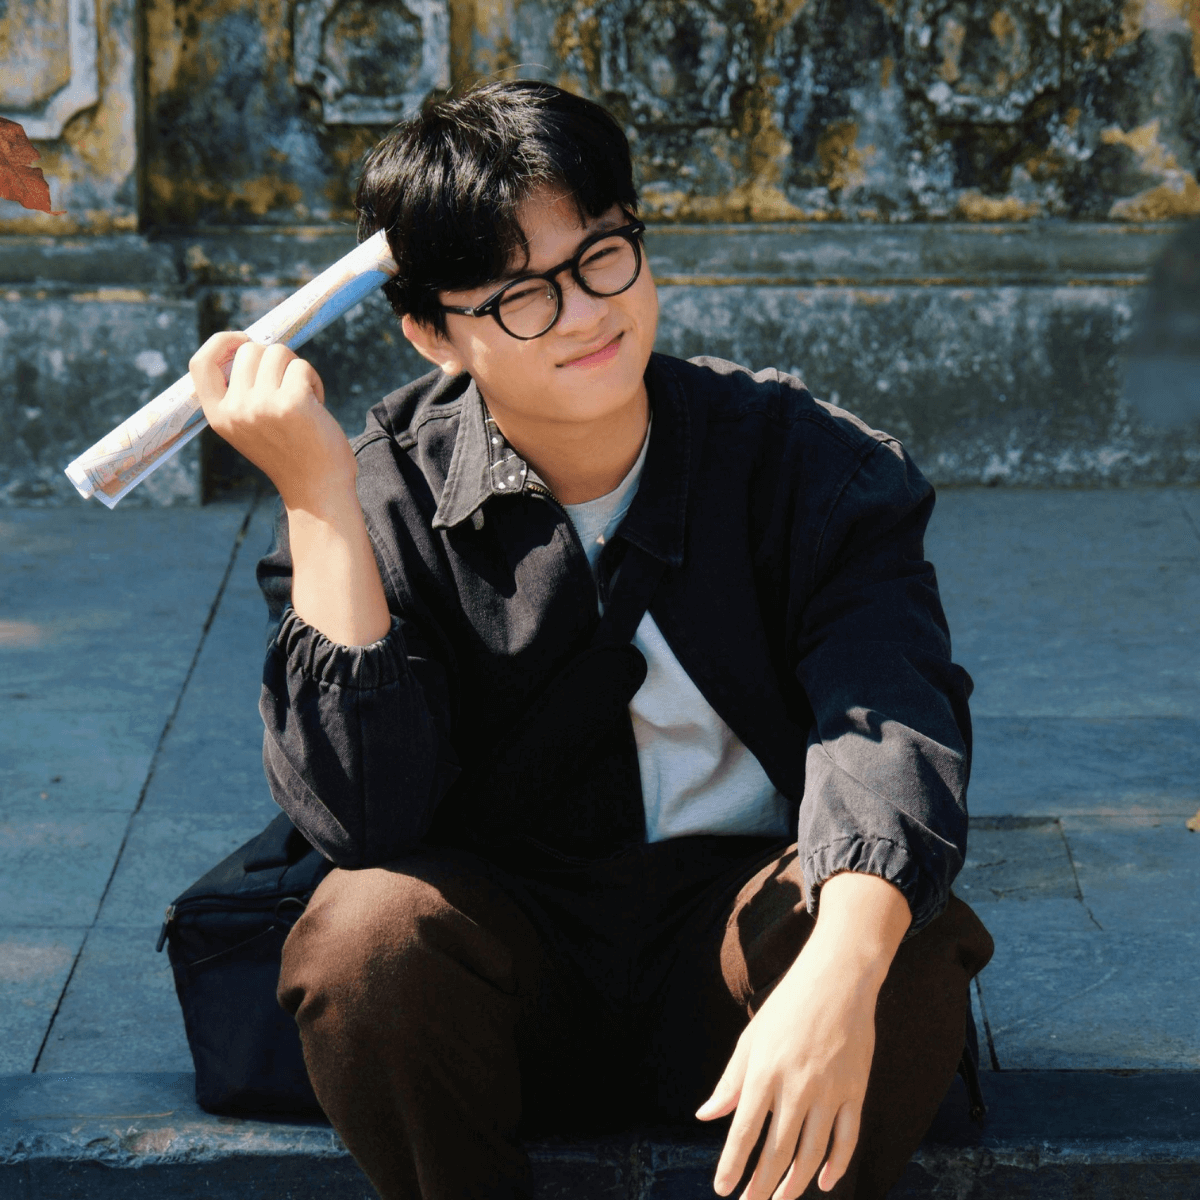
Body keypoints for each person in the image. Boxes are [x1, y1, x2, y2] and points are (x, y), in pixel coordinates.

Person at [188, 79, 993, 1200]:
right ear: (433, 330)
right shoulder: (379, 493)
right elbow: (362, 817)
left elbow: (892, 715)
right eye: (519, 293)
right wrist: (319, 496)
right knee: (365, 936)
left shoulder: (805, 463)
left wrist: (840, 968)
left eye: (602, 255)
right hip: (507, 969)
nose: (583, 312)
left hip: (741, 941)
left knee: (891, 930)